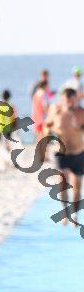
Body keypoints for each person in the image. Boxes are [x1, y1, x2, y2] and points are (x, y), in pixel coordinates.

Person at [44, 88, 84, 224]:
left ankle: (75, 214)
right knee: (62, 183)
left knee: (77, 188)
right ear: (62, 100)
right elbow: (46, 127)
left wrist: (80, 128)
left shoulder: (81, 112)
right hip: (60, 152)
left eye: (73, 101)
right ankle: (65, 211)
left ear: (76, 99)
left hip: (78, 153)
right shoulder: (55, 110)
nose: (70, 104)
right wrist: (49, 132)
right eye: (67, 101)